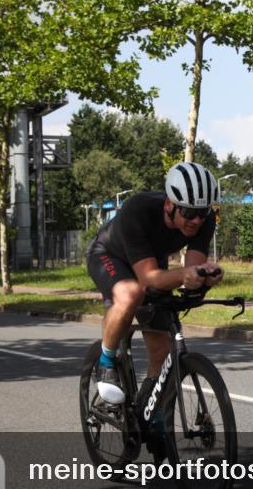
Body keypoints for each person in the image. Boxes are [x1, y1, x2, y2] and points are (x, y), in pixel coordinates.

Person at [85, 162, 223, 406]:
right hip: (109, 255)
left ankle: (150, 414)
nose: (197, 220)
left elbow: (191, 269)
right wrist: (184, 274)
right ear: (169, 205)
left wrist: (204, 277)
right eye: (189, 213)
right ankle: (107, 363)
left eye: (202, 212)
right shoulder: (138, 209)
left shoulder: (205, 220)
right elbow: (148, 278)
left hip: (149, 259)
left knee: (162, 349)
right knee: (130, 294)